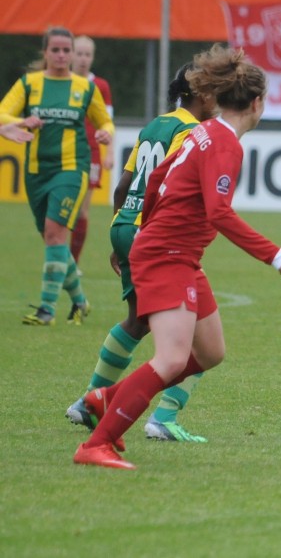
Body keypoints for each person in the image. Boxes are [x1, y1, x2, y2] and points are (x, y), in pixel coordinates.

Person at [72, 44, 281, 470]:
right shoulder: (225, 144)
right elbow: (218, 212)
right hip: (168, 255)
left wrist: (146, 232)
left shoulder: (203, 131)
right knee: (172, 359)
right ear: (256, 103)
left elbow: (157, 178)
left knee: (211, 351)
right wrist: (275, 255)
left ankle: (107, 398)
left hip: (174, 253)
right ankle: (96, 444)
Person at [66, 62, 218, 443]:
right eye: (215, 89)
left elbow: (125, 185)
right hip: (154, 233)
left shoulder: (155, 125)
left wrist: (120, 233)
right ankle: (161, 417)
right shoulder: (192, 131)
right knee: (197, 337)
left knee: (138, 320)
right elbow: (168, 187)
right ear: (200, 94)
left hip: (128, 225)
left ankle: (89, 401)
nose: (220, 97)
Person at [0, 26, 114, 326]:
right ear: (46, 53)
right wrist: (19, 121)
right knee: (54, 241)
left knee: (54, 232)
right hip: (36, 171)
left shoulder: (85, 88)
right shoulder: (30, 83)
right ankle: (80, 302)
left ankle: (47, 310)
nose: (63, 55)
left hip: (71, 169)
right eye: (57, 50)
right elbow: (3, 113)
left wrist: (105, 133)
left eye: (68, 50)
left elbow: (105, 121)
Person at [69, 35, 115, 271]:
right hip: (64, 152)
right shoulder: (60, 82)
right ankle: (60, 253)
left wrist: (110, 153)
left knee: (81, 210)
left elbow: (107, 121)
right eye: (79, 53)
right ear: (70, 54)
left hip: (91, 153)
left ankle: (73, 261)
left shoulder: (100, 86)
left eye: (88, 54)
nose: (83, 59)